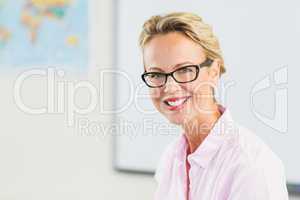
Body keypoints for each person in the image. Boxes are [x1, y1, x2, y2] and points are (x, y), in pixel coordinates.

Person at [139, 12, 289, 200]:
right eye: (156, 74)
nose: (169, 87)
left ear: (214, 71)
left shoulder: (251, 165)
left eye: (185, 70)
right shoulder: (171, 158)